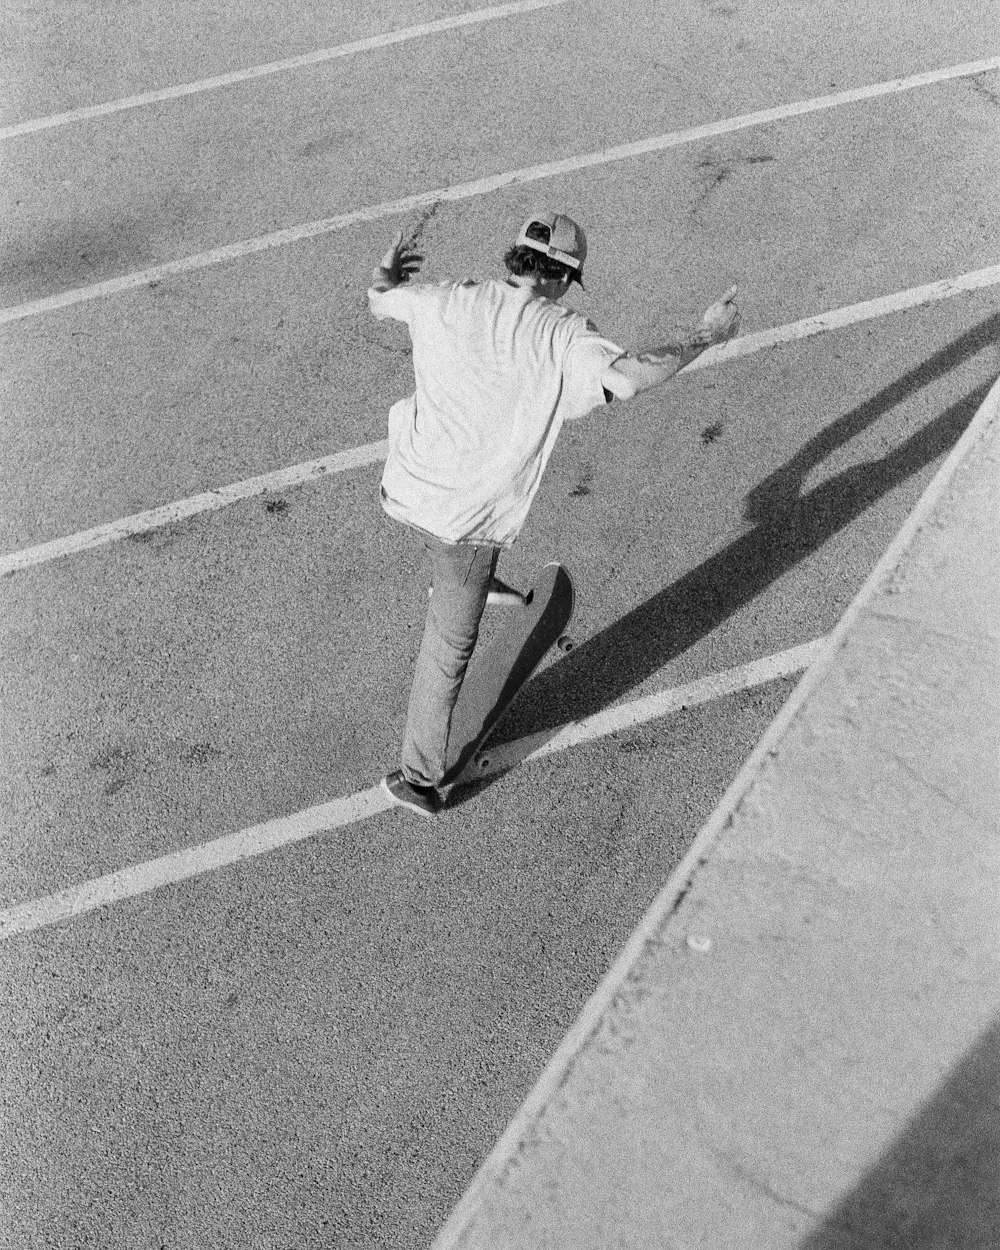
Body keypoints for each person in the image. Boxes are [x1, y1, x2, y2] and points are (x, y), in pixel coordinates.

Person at [370, 209, 740, 818]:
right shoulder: (562, 332)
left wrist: (387, 269)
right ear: (563, 278)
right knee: (447, 646)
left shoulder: (448, 299)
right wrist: (706, 336)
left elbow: (380, 296)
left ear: (514, 259)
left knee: (445, 536)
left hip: (405, 486)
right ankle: (418, 777)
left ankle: (475, 582)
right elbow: (630, 379)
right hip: (466, 519)